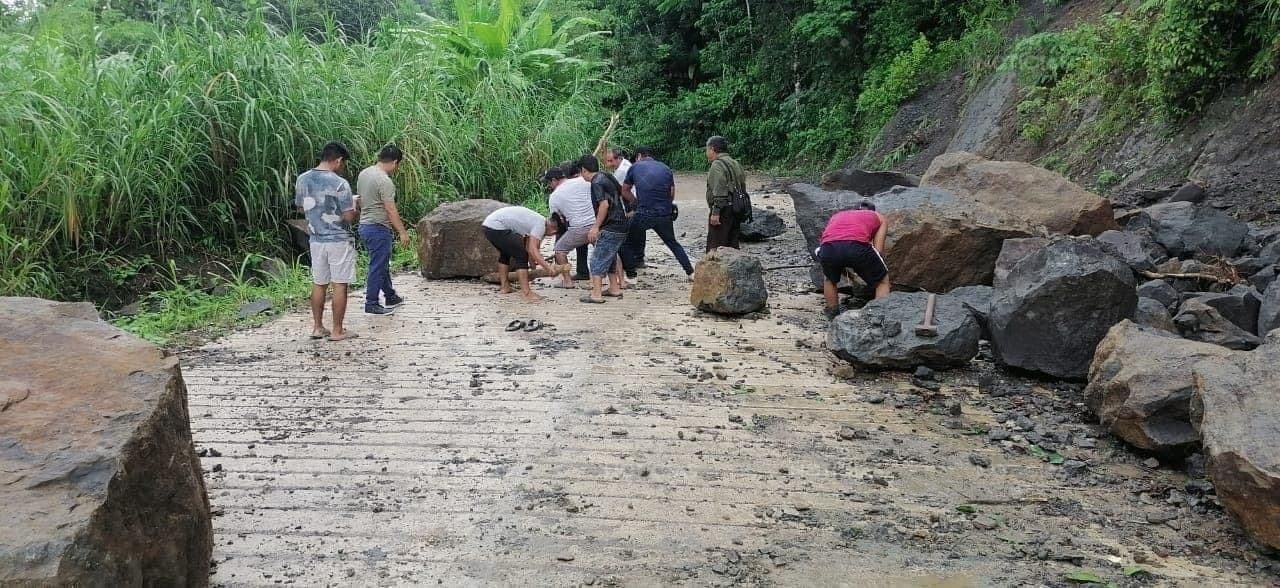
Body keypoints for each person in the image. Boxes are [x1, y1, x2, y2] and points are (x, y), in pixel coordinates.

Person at [296, 141, 359, 341]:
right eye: (343, 163)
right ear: (339, 160)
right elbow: (349, 216)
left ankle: (317, 327)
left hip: (315, 238)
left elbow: (300, 207)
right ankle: (337, 330)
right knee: (340, 284)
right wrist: (356, 206)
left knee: (319, 282)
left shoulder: (303, 179)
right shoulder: (340, 183)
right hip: (338, 239)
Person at [621, 147, 695, 277]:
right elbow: (671, 193)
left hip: (644, 213)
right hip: (663, 213)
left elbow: (625, 190)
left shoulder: (635, 167)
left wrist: (637, 203)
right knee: (673, 243)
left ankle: (631, 275)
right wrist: (665, 206)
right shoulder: (666, 168)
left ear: (639, 156)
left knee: (624, 240)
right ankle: (690, 272)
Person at [356, 145, 409, 315]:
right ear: (394, 162)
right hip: (378, 227)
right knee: (377, 266)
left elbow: (360, 200)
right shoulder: (384, 181)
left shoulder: (364, 173)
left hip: (364, 226)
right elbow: (390, 210)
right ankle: (371, 302)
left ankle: (390, 296)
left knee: (381, 263)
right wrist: (402, 232)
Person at [816, 199, 890, 318]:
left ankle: (832, 313)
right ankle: (878, 316)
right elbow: (878, 249)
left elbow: (827, 237)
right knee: (882, 281)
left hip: (828, 247)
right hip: (856, 246)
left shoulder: (837, 215)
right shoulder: (878, 217)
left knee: (829, 279)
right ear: (872, 211)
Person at [579, 154, 630, 303]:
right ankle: (614, 288)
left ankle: (596, 294)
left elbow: (604, 205)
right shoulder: (606, 176)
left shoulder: (596, 182)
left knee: (597, 260)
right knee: (610, 256)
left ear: (583, 170)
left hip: (612, 225)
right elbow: (620, 193)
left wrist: (595, 227)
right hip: (621, 224)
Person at [482, 206, 559, 302]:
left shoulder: (539, 221)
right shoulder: (541, 225)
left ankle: (505, 287)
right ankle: (526, 293)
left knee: (505, 253)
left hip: (488, 226)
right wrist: (548, 268)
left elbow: (528, 245)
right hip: (496, 226)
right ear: (553, 230)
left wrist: (532, 264)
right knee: (521, 254)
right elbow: (533, 249)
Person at [544, 163, 595, 288]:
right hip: (597, 224)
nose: (549, 186)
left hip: (579, 227)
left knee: (559, 250)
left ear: (554, 180)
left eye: (549, 183)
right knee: (607, 249)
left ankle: (567, 282)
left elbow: (558, 221)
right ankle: (619, 280)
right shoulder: (583, 180)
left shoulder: (554, 197)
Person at [704, 135, 747, 251]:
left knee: (716, 247)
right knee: (733, 244)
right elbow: (742, 186)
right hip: (736, 209)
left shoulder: (717, 165)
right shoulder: (735, 163)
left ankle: (714, 269)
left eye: (707, 149)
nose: (706, 152)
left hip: (723, 210)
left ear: (712, 149)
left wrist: (716, 212)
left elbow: (719, 190)